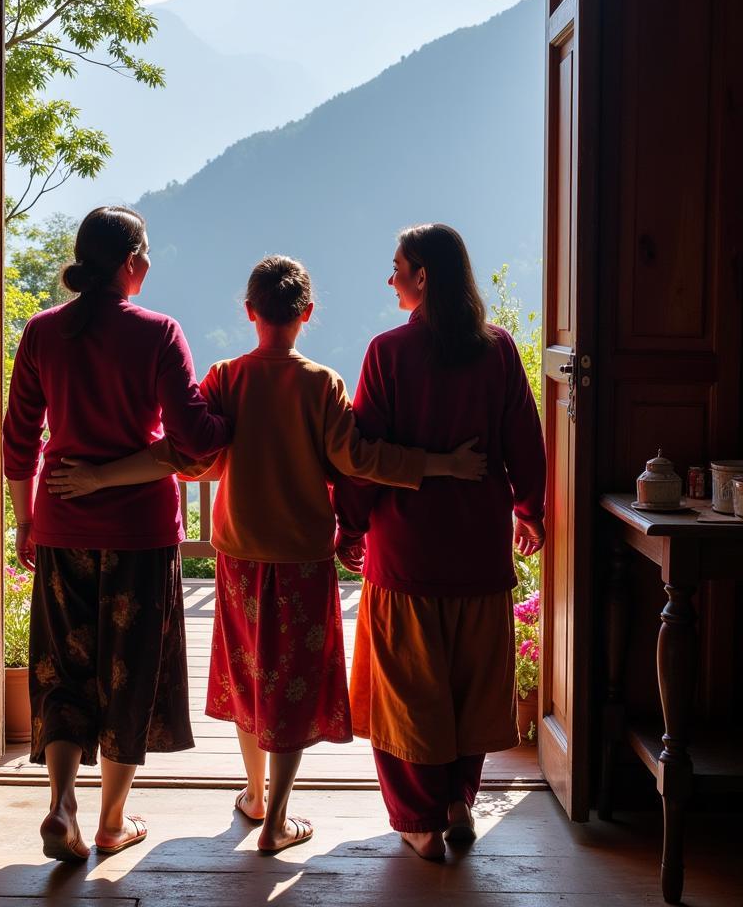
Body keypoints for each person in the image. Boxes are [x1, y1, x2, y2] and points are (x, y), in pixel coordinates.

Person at [47, 254, 488, 854]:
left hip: (238, 557)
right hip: (303, 558)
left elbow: (192, 452)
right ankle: (276, 815)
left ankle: (254, 795)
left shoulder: (227, 378)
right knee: (293, 685)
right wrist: (444, 464)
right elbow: (361, 460)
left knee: (249, 678)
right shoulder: (321, 383)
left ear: (250, 312)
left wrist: (102, 475)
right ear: (307, 314)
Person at [2, 206, 231, 862]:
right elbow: (193, 440)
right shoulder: (159, 334)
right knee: (130, 674)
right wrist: (232, 414)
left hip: (62, 526)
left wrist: (27, 519)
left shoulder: (43, 332)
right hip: (139, 534)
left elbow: (19, 443)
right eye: (147, 253)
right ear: (131, 264)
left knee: (64, 672)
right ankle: (108, 822)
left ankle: (62, 804)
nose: (151, 264)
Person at [334, 223, 547, 861]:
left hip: (408, 555)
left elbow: (364, 454)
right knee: (470, 682)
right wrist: (528, 508)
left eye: (397, 266)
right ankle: (459, 800)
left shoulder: (388, 353)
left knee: (408, 693)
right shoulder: (498, 348)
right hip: (479, 549)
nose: (390, 277)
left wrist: (350, 525)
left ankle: (421, 822)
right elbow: (525, 438)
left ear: (423, 276)